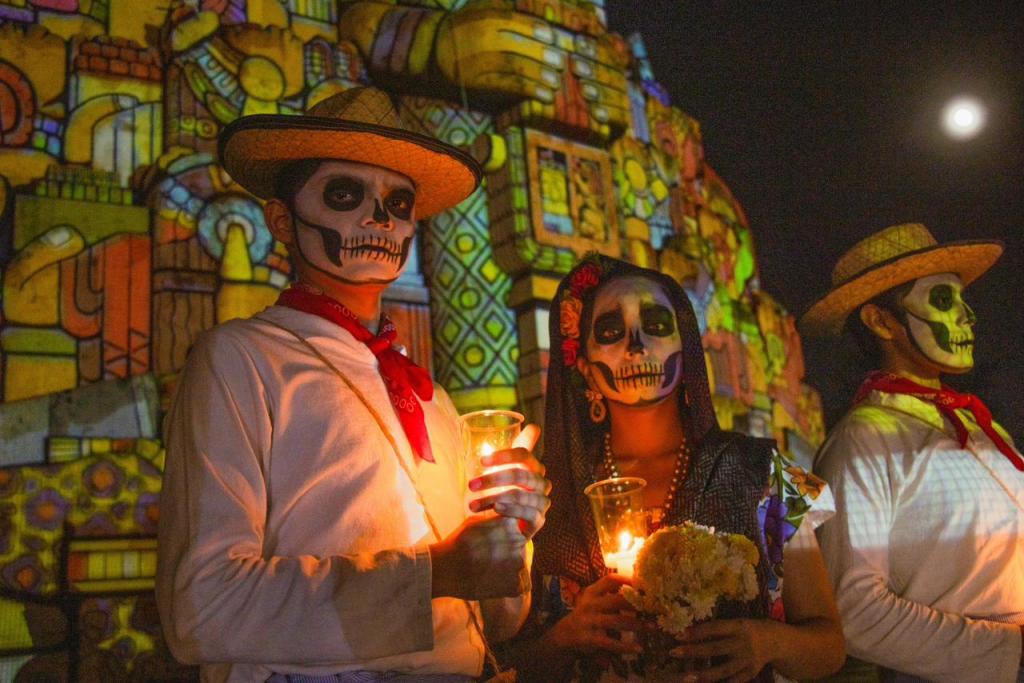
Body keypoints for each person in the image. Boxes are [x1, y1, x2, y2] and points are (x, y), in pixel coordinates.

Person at [156, 86, 551, 682]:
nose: (378, 219)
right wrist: (436, 573)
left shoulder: (433, 401)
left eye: (398, 202)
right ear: (282, 219)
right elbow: (203, 608)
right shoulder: (240, 359)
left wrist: (509, 535)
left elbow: (494, 623)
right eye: (345, 194)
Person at [508, 255, 844, 682]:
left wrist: (765, 643)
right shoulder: (546, 498)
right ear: (586, 369)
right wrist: (565, 637)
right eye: (611, 331)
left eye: (656, 325)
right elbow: (502, 661)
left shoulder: (764, 473)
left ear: (686, 352)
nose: (636, 346)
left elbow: (830, 647)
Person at [801, 223, 1024, 683]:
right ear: (881, 321)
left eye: (961, 300)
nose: (968, 317)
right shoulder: (862, 442)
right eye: (943, 300)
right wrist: (1009, 651)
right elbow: (854, 610)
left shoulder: (978, 425)